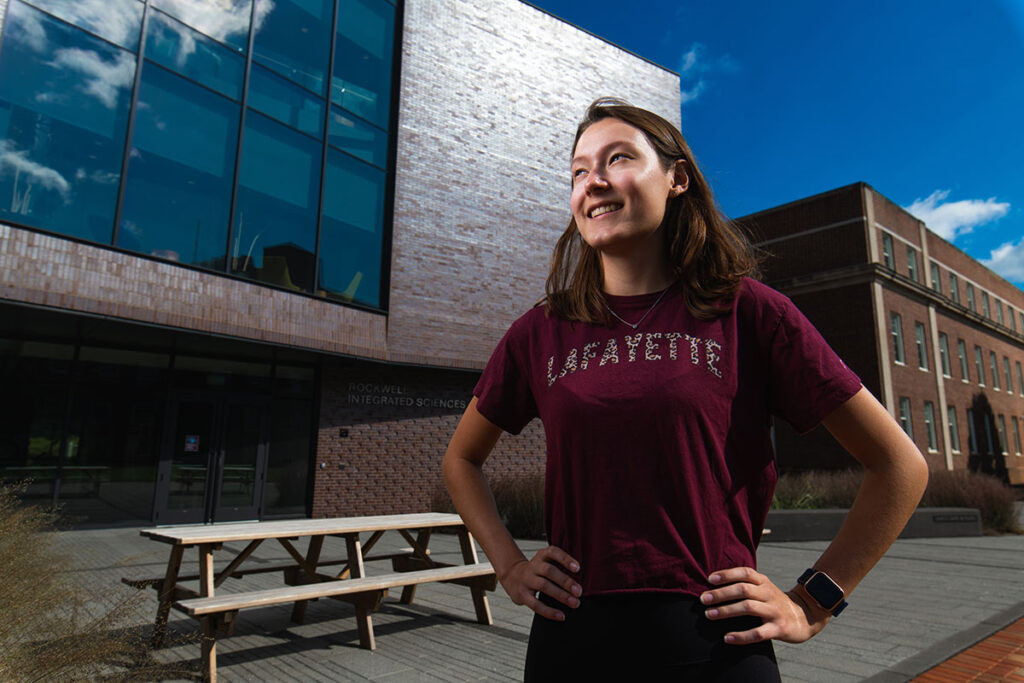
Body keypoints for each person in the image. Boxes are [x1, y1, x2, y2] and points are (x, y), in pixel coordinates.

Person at [442, 97, 928, 681]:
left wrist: (812, 601)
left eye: (617, 158)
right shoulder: (537, 332)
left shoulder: (751, 313)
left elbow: (900, 465)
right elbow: (461, 460)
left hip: (715, 642)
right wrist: (510, 566)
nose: (593, 182)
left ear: (677, 179)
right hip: (571, 641)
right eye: (578, 171)